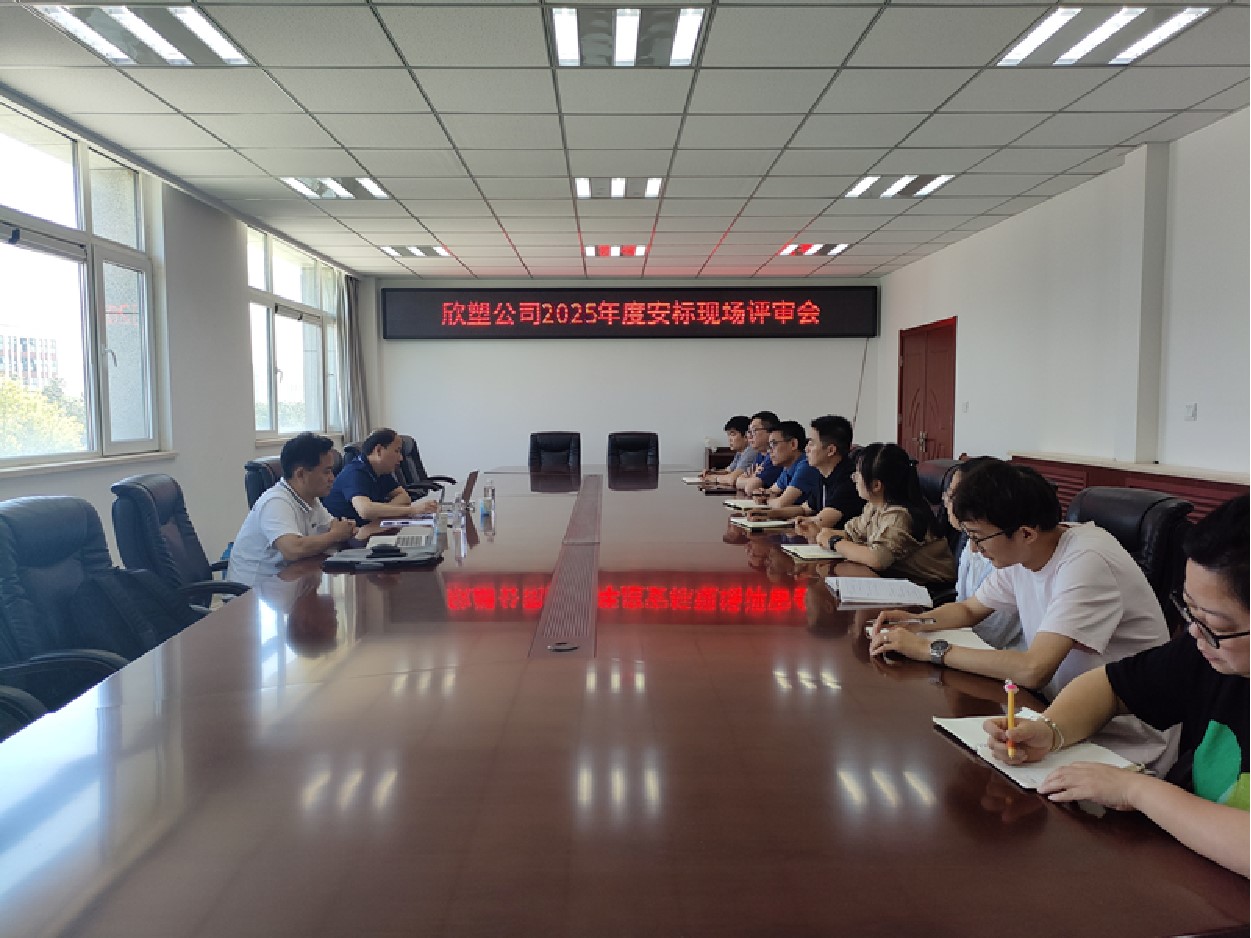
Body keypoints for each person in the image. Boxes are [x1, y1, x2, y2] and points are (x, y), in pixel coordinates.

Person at [983, 494, 1249, 878]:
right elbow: (1110, 686)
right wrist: (1051, 731)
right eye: (1189, 610)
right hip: (1189, 868)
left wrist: (1136, 790)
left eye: (1216, 625)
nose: (1194, 632)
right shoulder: (1206, 652)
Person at [869, 460, 1172, 765]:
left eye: (978, 538)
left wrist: (929, 650)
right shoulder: (1025, 553)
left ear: (1026, 533)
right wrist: (915, 622)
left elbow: (1034, 670)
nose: (973, 549)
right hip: (1055, 717)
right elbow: (969, 609)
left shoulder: (1086, 561)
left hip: (1120, 742)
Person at [226, 432, 355, 585]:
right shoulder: (275, 501)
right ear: (300, 474)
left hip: (286, 584)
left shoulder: (310, 498)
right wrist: (336, 535)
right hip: (252, 592)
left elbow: (333, 526)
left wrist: (346, 529)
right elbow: (293, 549)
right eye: (326, 471)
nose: (332, 478)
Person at [822, 442, 955, 584]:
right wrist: (824, 533)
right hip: (899, 581)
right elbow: (853, 533)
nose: (854, 479)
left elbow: (878, 559)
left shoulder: (899, 515)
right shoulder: (874, 506)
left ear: (876, 485)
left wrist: (834, 542)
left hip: (930, 588)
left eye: (858, 475)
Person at [943, 457, 1024, 650]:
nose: (946, 502)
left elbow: (991, 635)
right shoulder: (973, 542)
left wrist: (932, 647)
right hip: (969, 644)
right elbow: (964, 607)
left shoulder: (1007, 556)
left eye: (952, 495)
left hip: (999, 655)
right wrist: (915, 623)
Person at [752, 414, 864, 525]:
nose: (806, 449)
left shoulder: (849, 479)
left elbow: (822, 521)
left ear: (830, 450)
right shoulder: (823, 474)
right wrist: (767, 514)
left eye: (811, 444)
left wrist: (793, 522)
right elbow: (805, 509)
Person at [322, 428, 438, 535]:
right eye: (397, 451)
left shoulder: (381, 470)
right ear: (378, 450)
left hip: (368, 528)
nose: (401, 458)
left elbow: (404, 497)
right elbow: (365, 510)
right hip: (344, 538)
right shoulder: (355, 472)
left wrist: (381, 511)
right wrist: (413, 510)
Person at [702, 415, 757, 487]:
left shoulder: (751, 451)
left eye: (732, 434)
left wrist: (713, 478)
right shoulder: (740, 452)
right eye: (728, 435)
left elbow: (732, 478)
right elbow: (728, 471)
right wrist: (711, 473)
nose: (729, 439)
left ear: (746, 436)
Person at [738, 411, 782, 494]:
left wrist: (751, 478)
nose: (749, 436)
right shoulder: (761, 454)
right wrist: (752, 478)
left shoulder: (775, 457)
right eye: (749, 431)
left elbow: (750, 487)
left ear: (770, 432)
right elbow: (738, 481)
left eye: (754, 431)